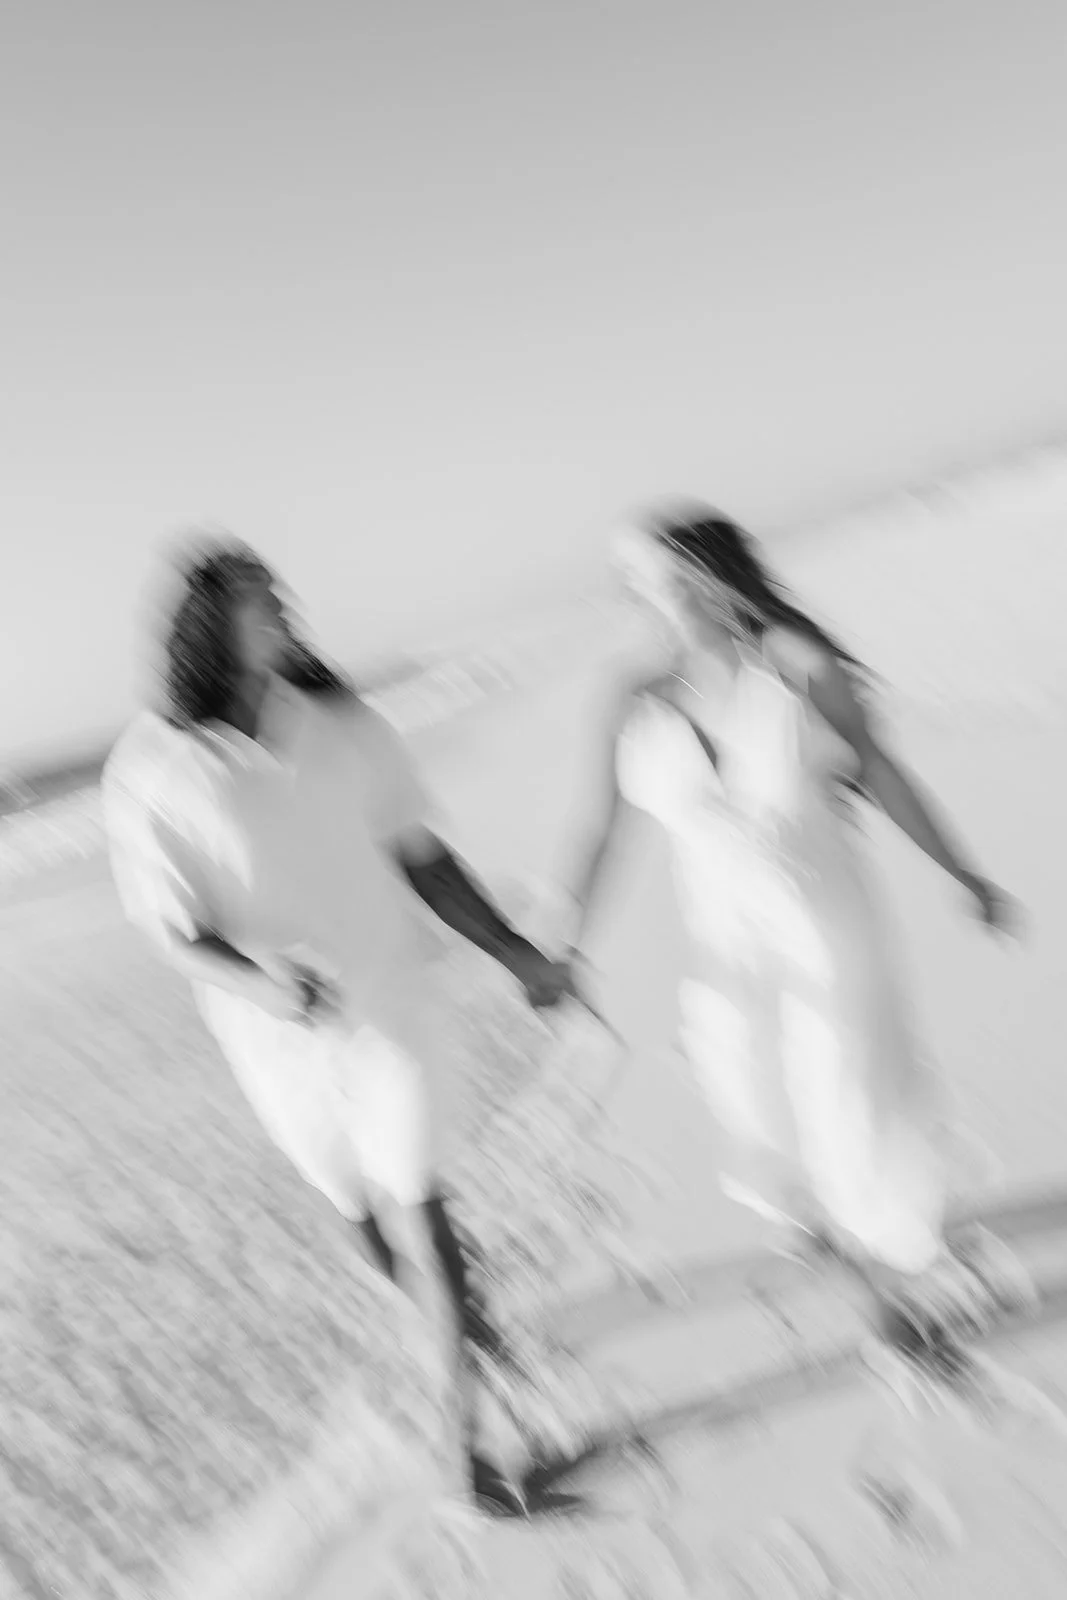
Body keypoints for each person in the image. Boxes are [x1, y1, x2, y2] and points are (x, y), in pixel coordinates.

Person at [101, 535, 575, 1514]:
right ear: (206, 627)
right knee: (358, 1217)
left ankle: (461, 1444)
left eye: (278, 593)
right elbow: (171, 931)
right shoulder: (150, 767)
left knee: (422, 1212)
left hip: (391, 999)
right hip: (274, 1039)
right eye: (257, 598)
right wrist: (260, 982)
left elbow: (421, 856)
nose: (282, 608)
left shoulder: (342, 723)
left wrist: (516, 950)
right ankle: (455, 1327)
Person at [562, 503, 1030, 1375]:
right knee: (759, 1115)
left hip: (825, 926)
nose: (646, 595)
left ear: (708, 573)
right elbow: (602, 831)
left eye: (659, 574)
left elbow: (880, 772)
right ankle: (868, 1282)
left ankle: (886, 1309)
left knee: (845, 1108)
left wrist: (961, 875)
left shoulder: (798, 668)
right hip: (722, 948)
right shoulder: (628, 698)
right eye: (633, 581)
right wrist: (566, 942)